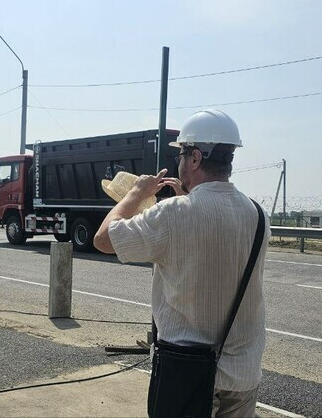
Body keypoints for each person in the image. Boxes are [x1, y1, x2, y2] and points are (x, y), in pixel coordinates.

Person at [94, 109, 270, 417]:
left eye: (182, 154)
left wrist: (137, 192)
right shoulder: (258, 214)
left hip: (187, 371)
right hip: (243, 372)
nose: (179, 162)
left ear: (196, 158)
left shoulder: (175, 214)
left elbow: (104, 239)